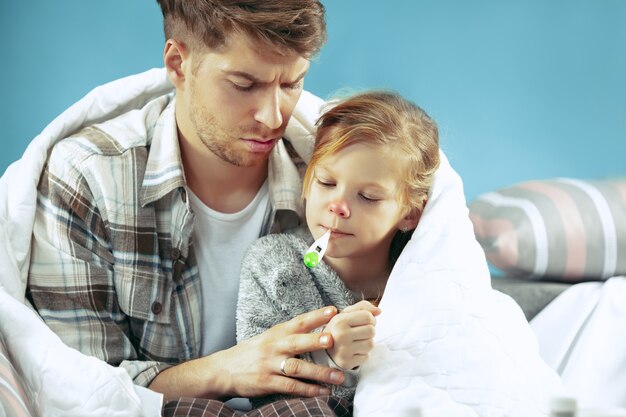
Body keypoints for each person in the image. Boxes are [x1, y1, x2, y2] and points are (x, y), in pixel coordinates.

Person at [26, 1, 353, 415]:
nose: (274, 117)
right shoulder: (87, 181)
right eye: (244, 83)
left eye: (291, 84)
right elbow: (78, 389)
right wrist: (225, 371)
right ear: (179, 64)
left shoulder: (335, 181)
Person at [236, 91, 441, 406]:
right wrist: (330, 357)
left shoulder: (427, 278)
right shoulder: (273, 265)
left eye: (368, 196)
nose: (338, 206)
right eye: (327, 183)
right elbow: (262, 395)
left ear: (410, 213)